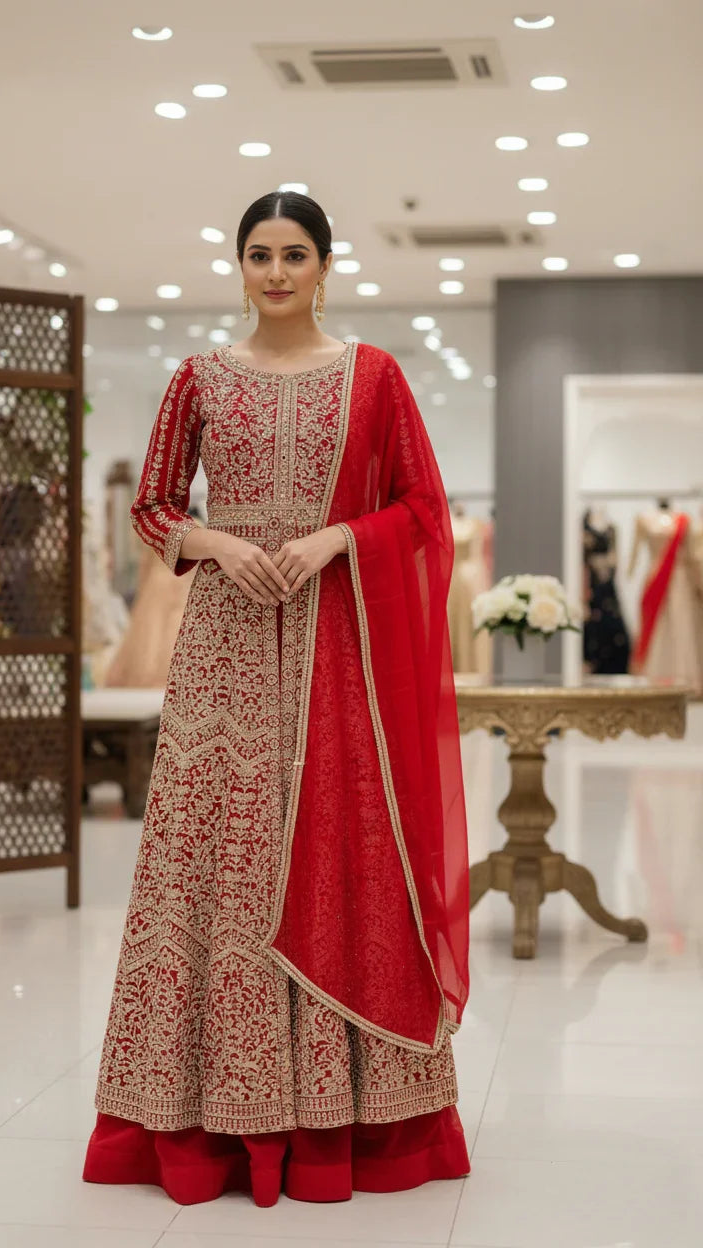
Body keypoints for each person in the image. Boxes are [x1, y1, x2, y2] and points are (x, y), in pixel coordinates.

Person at [82, 190, 471, 1206]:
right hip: (225, 646)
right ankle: (215, 1117)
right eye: (259, 254)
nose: (276, 272)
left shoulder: (374, 377)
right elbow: (154, 505)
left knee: (337, 836)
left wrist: (338, 537)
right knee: (220, 849)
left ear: (325, 266)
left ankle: (349, 1116)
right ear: (240, 266)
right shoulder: (200, 377)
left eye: (295, 254)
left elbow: (422, 508)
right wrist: (214, 541)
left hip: (338, 639)